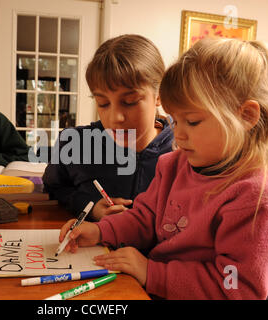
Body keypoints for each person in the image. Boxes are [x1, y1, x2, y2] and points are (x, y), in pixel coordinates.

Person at [58, 38, 268, 299]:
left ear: (246, 116)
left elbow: (237, 288)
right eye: (176, 119)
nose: (178, 135)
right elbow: (146, 217)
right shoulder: (175, 164)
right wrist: (101, 230)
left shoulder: (257, 197)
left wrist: (152, 273)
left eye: (192, 122)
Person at [42, 34, 174, 221]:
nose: (115, 118)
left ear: (159, 94)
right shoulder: (76, 144)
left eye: (130, 101)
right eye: (103, 103)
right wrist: (89, 205)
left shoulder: (187, 148)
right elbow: (53, 189)